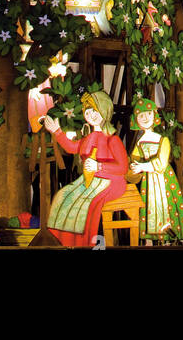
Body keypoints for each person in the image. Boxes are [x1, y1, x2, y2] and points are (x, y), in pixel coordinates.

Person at [43, 90, 128, 247]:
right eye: (88, 111)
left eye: (94, 110)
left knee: (86, 202)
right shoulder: (89, 137)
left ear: (104, 110)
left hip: (112, 182)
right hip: (90, 180)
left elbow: (123, 168)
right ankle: (67, 242)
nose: (91, 115)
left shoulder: (113, 139)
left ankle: (88, 242)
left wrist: (99, 166)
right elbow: (72, 147)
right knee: (63, 196)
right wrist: (57, 131)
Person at [128, 98, 183, 240]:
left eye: (148, 114)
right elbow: (135, 158)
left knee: (168, 207)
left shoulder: (162, 140)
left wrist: (143, 166)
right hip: (148, 181)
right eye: (141, 116)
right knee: (150, 208)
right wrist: (133, 165)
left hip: (164, 179)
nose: (145, 118)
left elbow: (161, 163)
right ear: (136, 119)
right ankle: (150, 239)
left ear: (154, 115)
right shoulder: (140, 142)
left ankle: (171, 240)